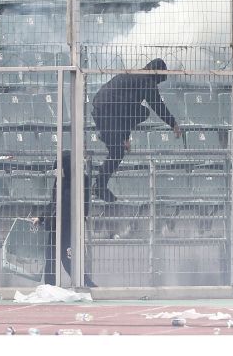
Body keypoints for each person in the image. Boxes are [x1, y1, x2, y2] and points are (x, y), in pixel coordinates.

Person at [90, 59, 180, 202]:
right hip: (109, 111)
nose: (157, 85)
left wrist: (125, 137)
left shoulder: (133, 75)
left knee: (118, 149)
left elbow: (127, 112)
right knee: (119, 148)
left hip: (103, 109)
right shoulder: (147, 81)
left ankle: (106, 136)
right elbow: (157, 105)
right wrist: (173, 123)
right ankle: (99, 186)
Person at [36, 151, 96, 288]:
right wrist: (41, 217)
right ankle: (50, 287)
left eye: (60, 167)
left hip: (70, 227)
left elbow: (84, 205)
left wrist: (79, 223)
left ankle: (87, 283)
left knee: (67, 259)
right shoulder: (59, 180)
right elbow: (53, 202)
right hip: (55, 225)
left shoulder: (82, 180)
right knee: (51, 258)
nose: (57, 171)